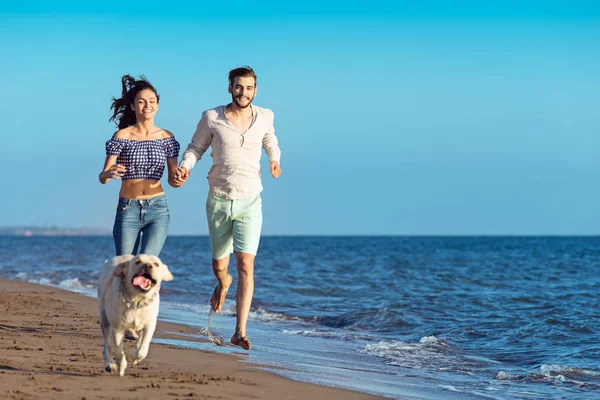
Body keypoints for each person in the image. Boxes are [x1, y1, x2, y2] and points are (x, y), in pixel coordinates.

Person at [173, 66, 281, 350]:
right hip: (219, 198)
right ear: (229, 88)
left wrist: (274, 158)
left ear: (255, 90)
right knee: (220, 265)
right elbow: (195, 147)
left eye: (248, 87)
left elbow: (269, 138)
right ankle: (223, 283)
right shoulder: (212, 117)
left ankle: (240, 331)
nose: (243, 92)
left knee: (246, 263)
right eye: (238, 87)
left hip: (251, 199)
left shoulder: (266, 115)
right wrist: (185, 167)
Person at [99, 74, 181, 339]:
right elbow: (102, 176)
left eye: (152, 101)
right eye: (142, 102)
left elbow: (173, 179)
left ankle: (139, 319)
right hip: (129, 209)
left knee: (148, 266)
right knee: (124, 268)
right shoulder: (121, 136)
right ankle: (121, 318)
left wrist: (179, 177)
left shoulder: (167, 138)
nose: (147, 105)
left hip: (159, 208)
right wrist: (109, 173)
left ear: (157, 105)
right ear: (133, 106)